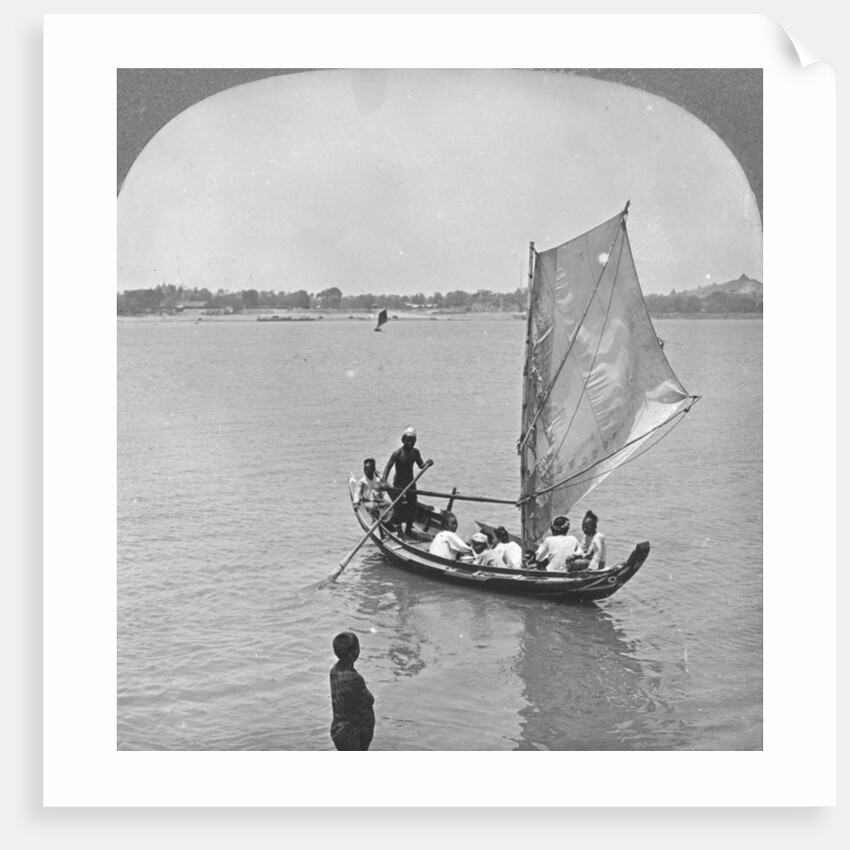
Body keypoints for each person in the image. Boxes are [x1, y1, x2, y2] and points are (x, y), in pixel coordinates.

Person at [329, 631, 375, 751]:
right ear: (356, 651)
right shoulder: (353, 677)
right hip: (352, 733)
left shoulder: (335, 670)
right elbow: (369, 699)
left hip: (340, 730)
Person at [382, 427, 433, 536]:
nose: (410, 443)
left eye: (413, 440)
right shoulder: (397, 453)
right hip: (399, 484)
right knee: (399, 507)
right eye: (408, 440)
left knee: (413, 507)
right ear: (403, 440)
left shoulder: (415, 452)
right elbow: (387, 468)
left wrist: (427, 463)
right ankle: (399, 529)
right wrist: (383, 482)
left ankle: (408, 530)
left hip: (411, 483)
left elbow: (421, 465)